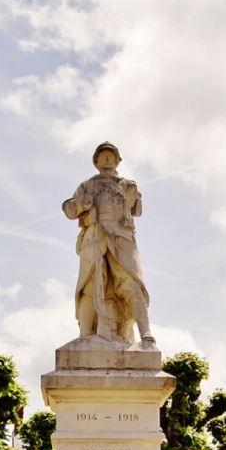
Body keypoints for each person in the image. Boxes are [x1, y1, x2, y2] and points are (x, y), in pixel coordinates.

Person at [62, 142, 154, 343]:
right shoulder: (87, 185)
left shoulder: (128, 185)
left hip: (122, 237)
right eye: (102, 156)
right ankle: (85, 336)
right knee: (89, 283)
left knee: (132, 283)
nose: (107, 159)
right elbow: (69, 209)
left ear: (117, 160)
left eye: (111, 155)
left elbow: (135, 209)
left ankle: (145, 334)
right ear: (95, 162)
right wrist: (81, 203)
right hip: (94, 235)